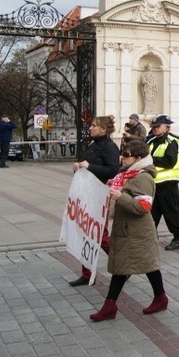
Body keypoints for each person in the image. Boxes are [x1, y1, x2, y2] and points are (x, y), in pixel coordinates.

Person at [89, 139, 169, 322]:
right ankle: (159, 297)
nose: (122, 158)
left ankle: (111, 306)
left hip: (136, 231)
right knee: (137, 266)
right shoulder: (127, 174)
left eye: (126, 155)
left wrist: (119, 197)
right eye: (122, 154)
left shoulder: (142, 177)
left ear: (137, 158)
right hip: (128, 229)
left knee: (129, 268)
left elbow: (143, 206)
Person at [69, 115, 121, 286]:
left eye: (93, 126)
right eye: (91, 125)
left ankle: (122, 266)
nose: (90, 128)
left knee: (101, 235)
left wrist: (89, 166)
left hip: (99, 195)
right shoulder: (93, 145)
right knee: (86, 233)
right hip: (86, 193)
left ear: (104, 130)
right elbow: (85, 164)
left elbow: (113, 170)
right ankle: (87, 273)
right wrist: (78, 167)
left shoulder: (110, 147)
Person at [147, 115, 179, 250]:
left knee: (172, 211)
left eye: (158, 127)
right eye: (153, 127)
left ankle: (178, 238)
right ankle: (150, 237)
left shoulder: (172, 141)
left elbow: (172, 161)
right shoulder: (152, 141)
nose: (155, 129)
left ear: (167, 127)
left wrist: (151, 160)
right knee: (153, 213)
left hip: (168, 183)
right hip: (154, 183)